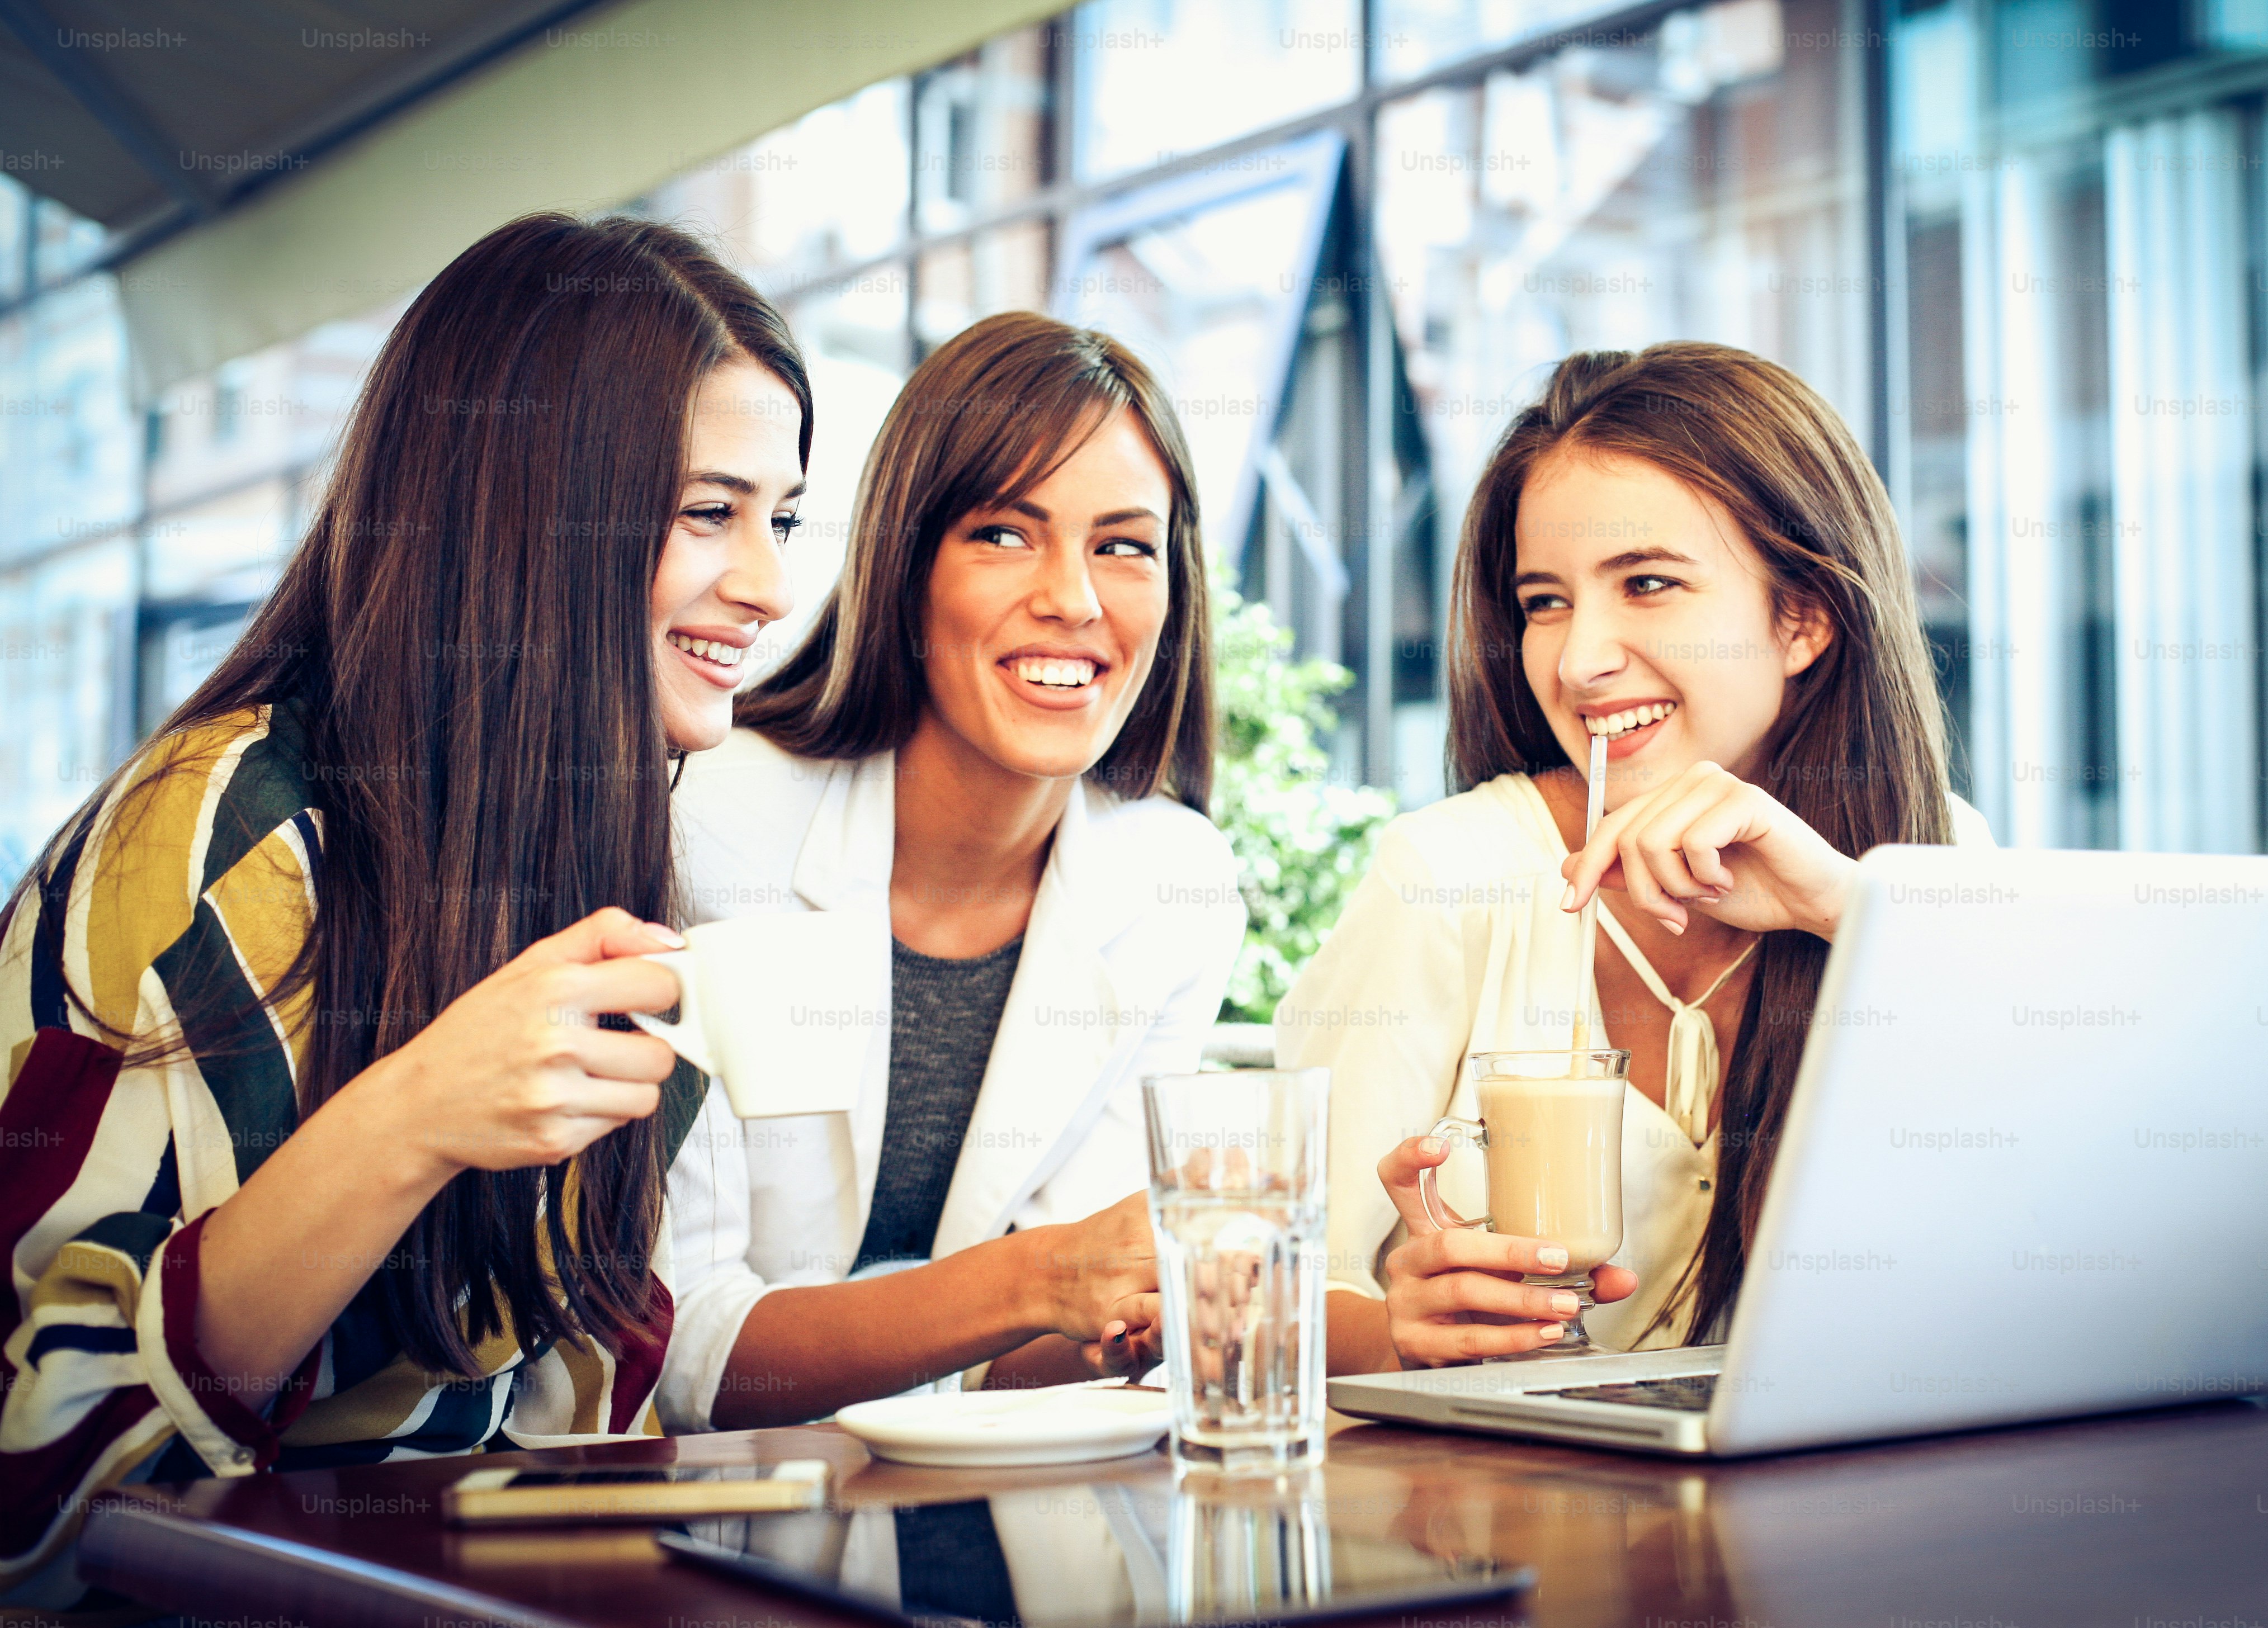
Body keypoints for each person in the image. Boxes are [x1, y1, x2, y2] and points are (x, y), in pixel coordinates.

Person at [0, 213, 804, 1605]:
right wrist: (419, 1111)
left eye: (782, 518)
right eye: (708, 512)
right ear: (527, 511)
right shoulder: (220, 832)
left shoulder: (585, 846)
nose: (771, 585)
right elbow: (48, 1470)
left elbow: (578, 1408)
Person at [1280, 342, 1994, 1372]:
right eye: (1545, 602)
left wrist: (1846, 911)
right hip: (1491, 1523)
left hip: (1842, 1511)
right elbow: (1255, 1284)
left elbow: (2069, 1223)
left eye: (1648, 583)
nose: (1578, 660)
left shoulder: (1935, 862)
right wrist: (1399, 1334)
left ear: (1804, 618)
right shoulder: (1449, 878)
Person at [658, 312, 1244, 1430]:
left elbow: (1021, 1352)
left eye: (1124, 545)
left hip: (998, 1531)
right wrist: (1041, 1284)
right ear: (904, 564)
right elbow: (677, 1347)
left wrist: (1161, 1303)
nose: (1074, 598)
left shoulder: (1179, 885)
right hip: (729, 1541)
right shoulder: (709, 822)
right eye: (1006, 534)